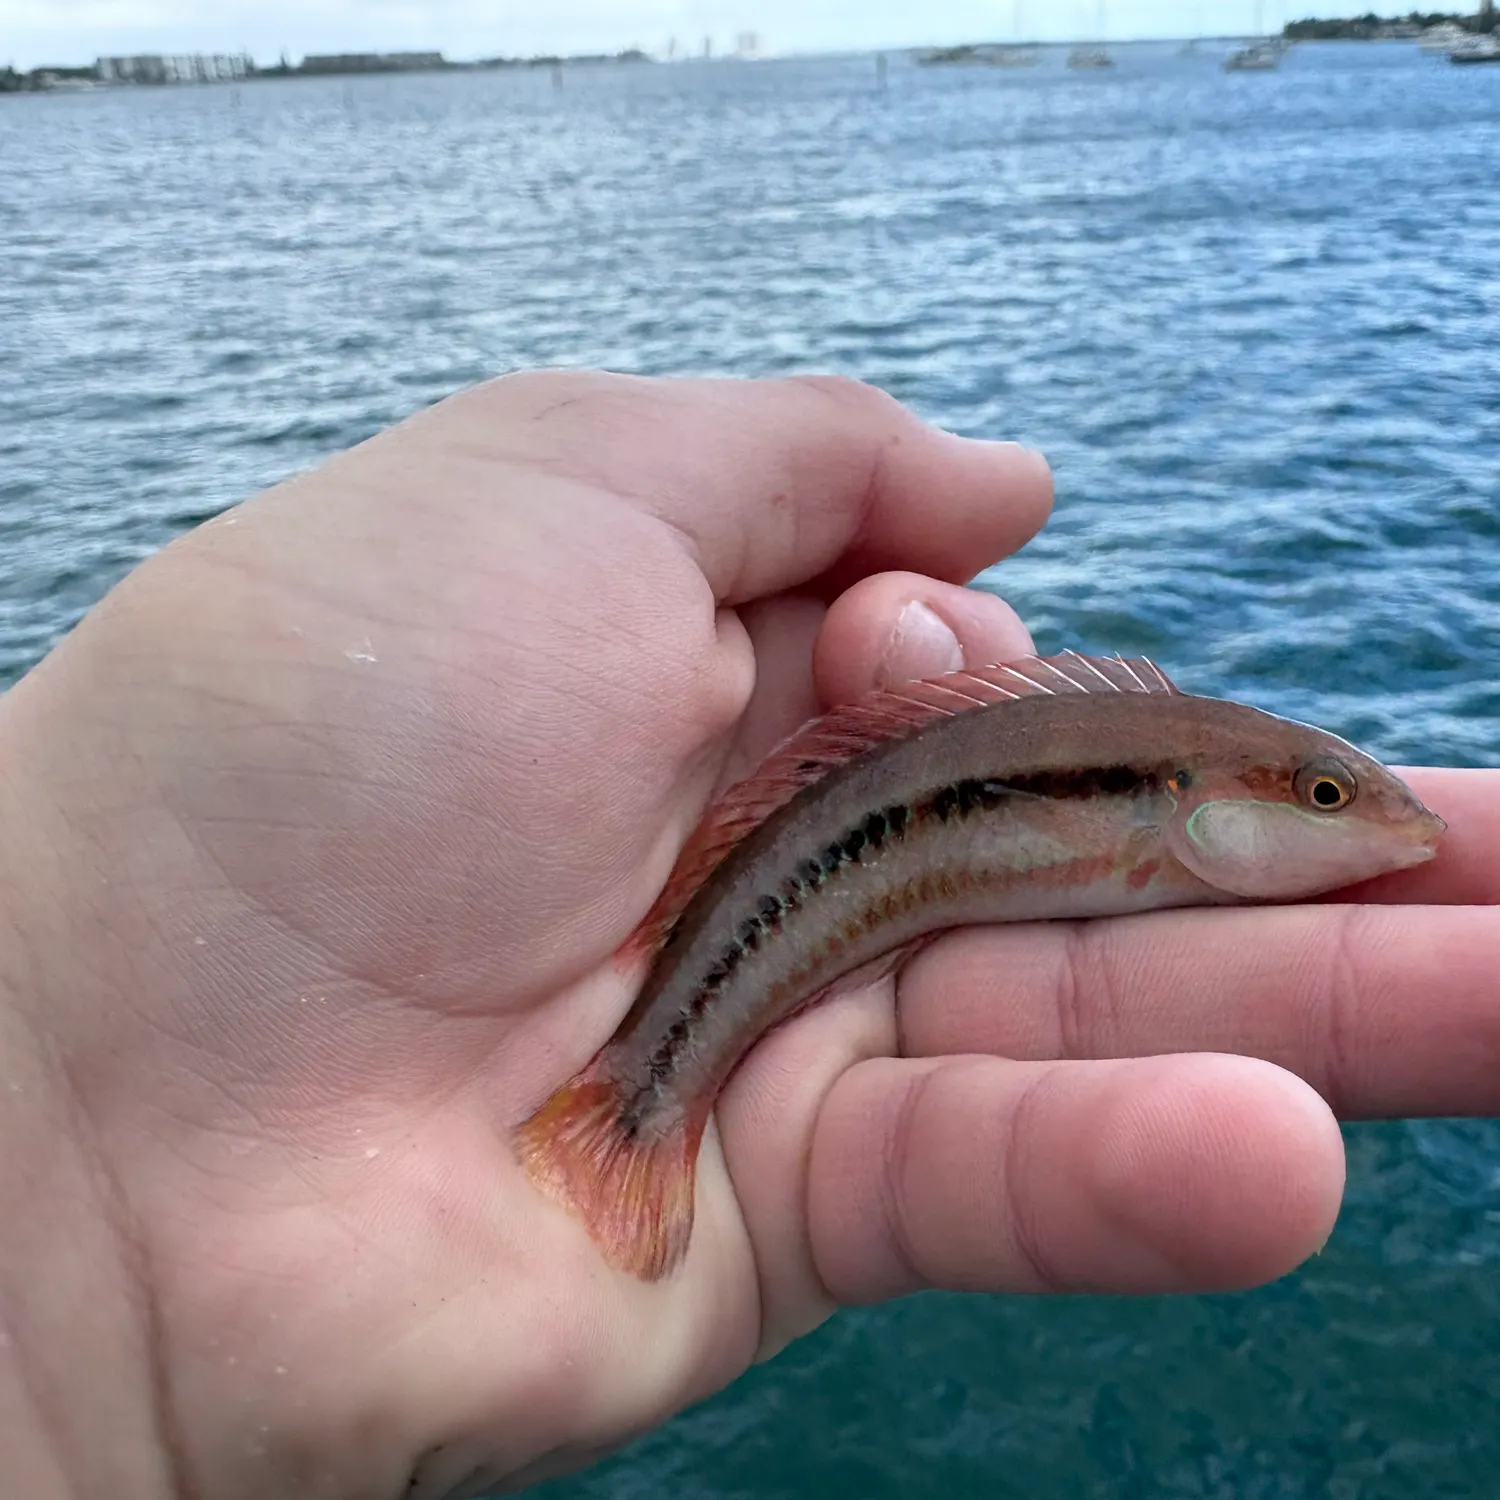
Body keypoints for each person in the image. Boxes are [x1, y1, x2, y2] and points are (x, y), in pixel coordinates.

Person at [0, 371, 1493, 1499]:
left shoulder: (1160, 798)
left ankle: (635, 1101)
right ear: (1186, 800)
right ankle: (630, 1111)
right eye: (1319, 796)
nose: (1371, 826)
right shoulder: (1141, 800)